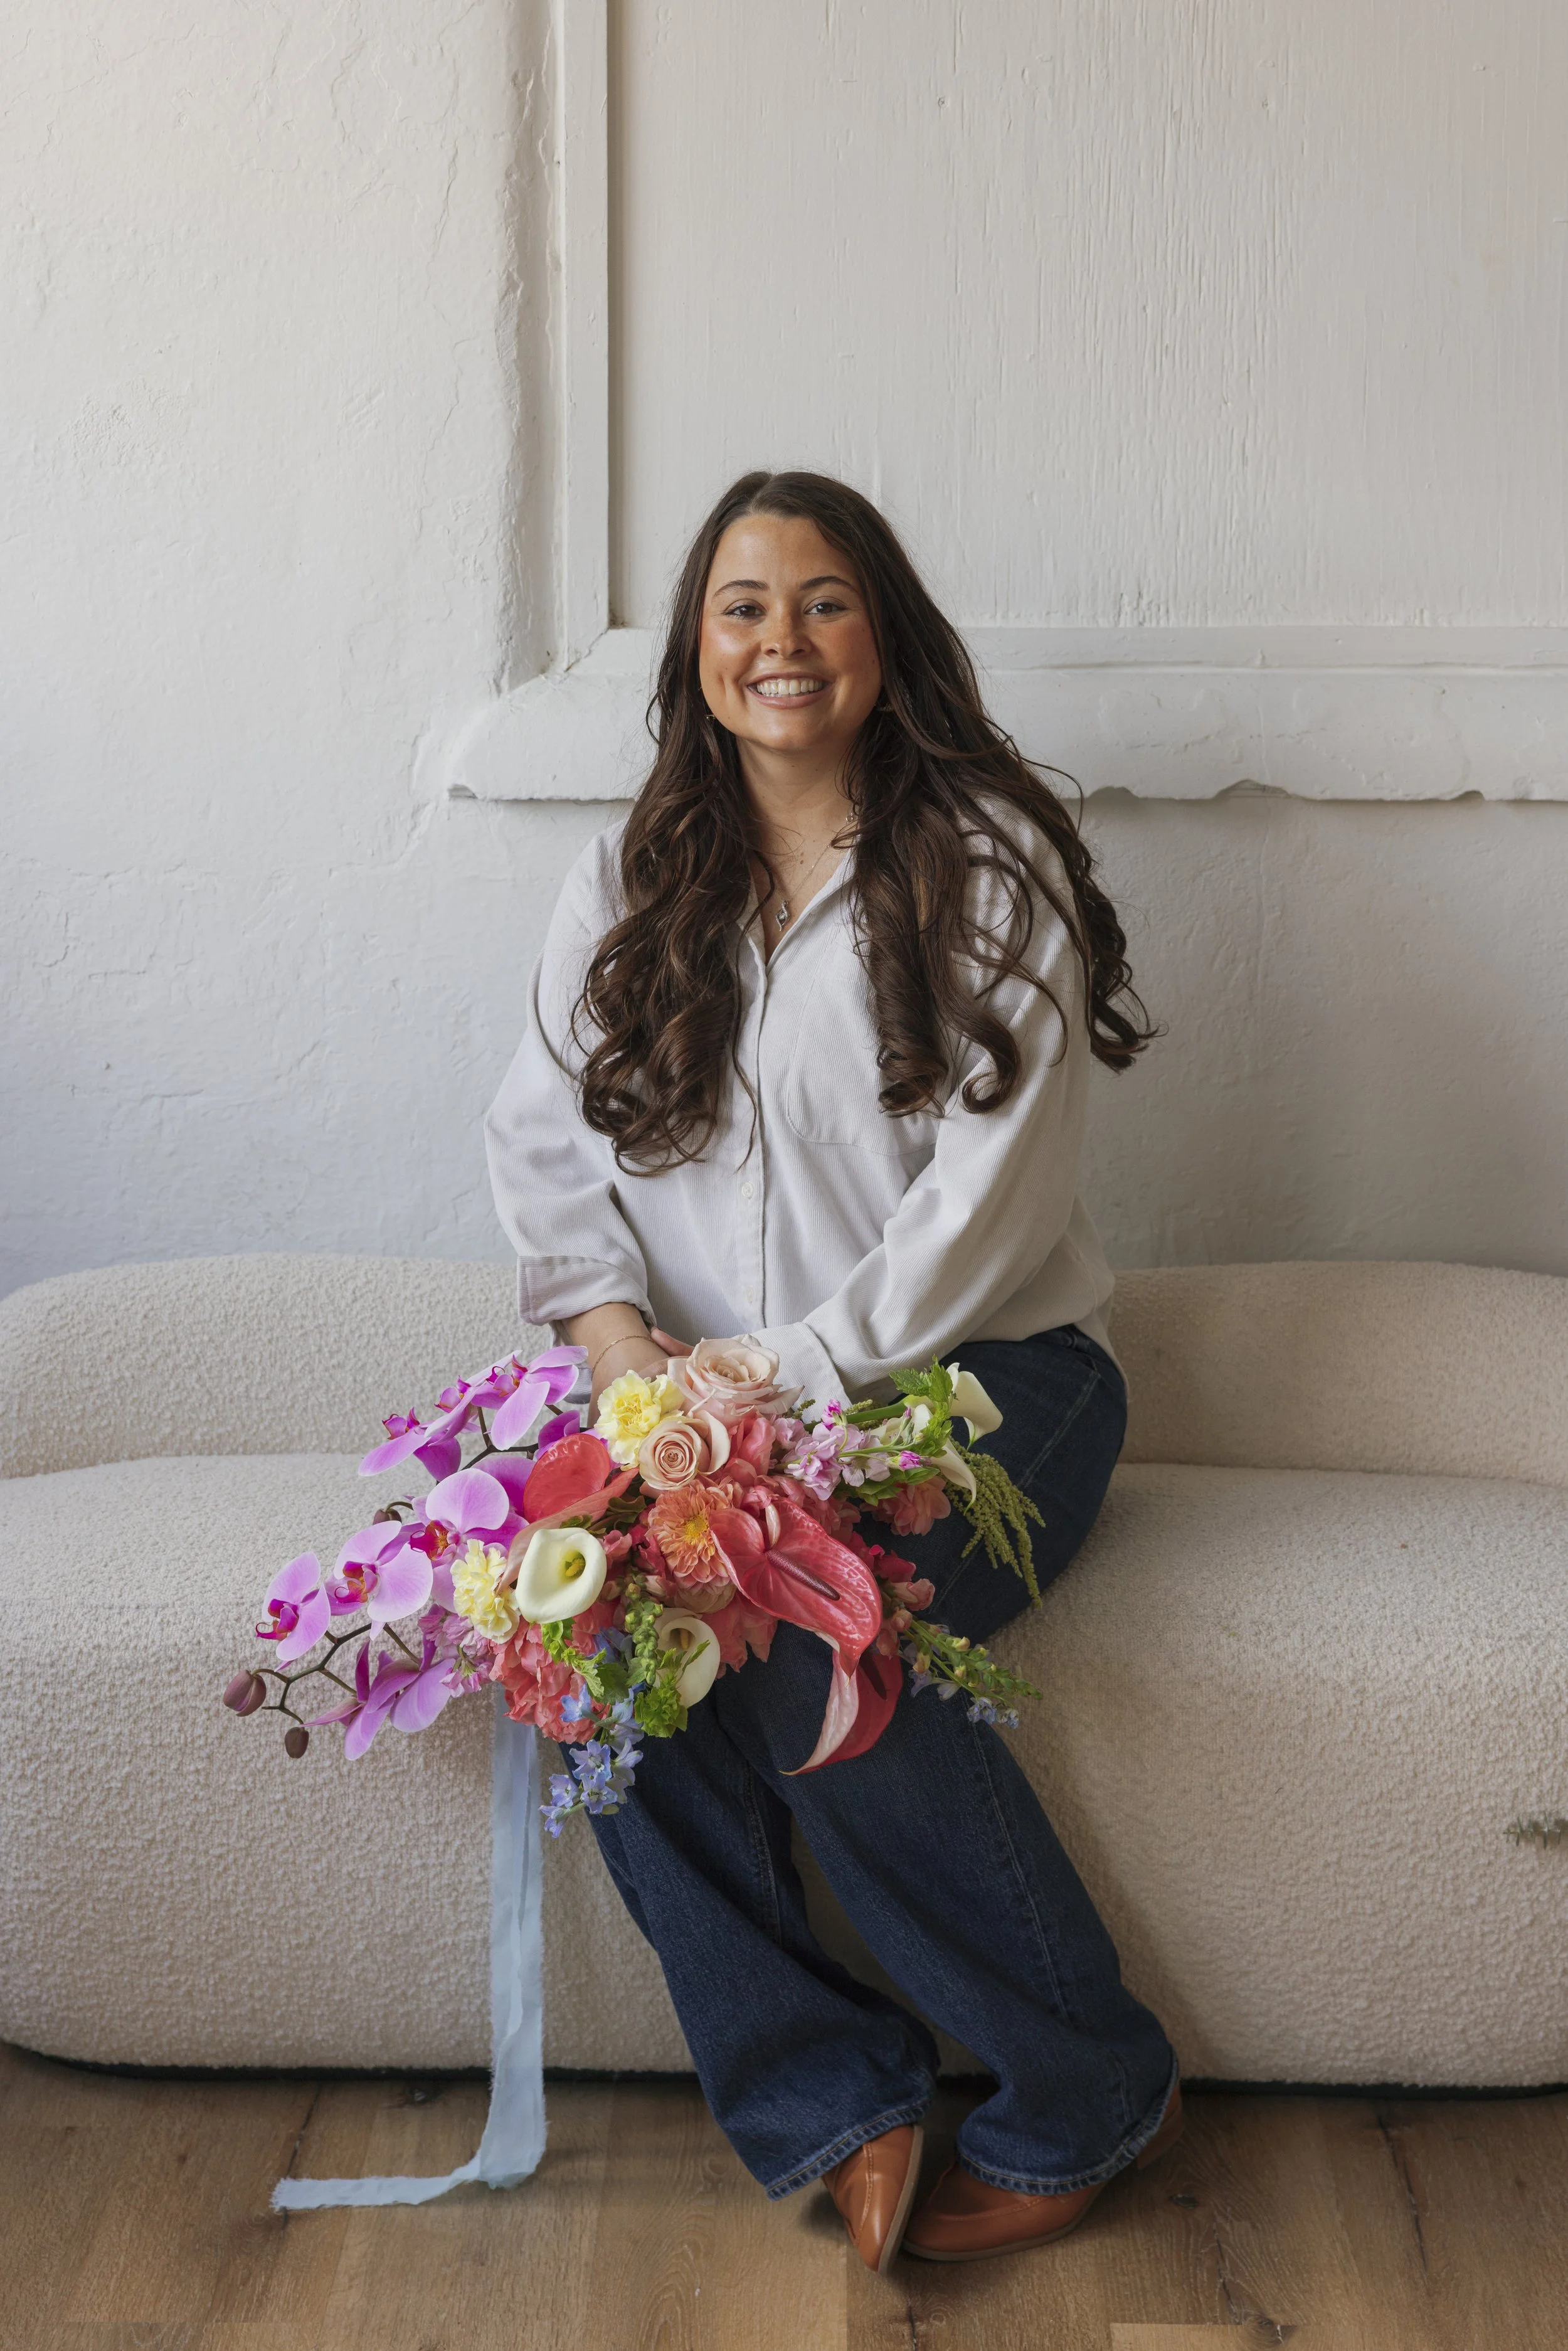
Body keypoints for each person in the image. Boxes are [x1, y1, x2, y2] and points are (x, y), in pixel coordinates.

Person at [484, 469, 1180, 2272]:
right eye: (738, 605)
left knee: (815, 1638)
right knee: (581, 1653)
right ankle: (830, 2094)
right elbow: (543, 1141)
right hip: (695, 1398)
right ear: (695, 648)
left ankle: (1087, 2084)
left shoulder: (985, 866)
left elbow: (975, 1215)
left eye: (819, 602)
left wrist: (752, 1398)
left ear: (883, 635)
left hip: (983, 1381)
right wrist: (629, 1364)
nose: (776, 641)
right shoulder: (632, 873)